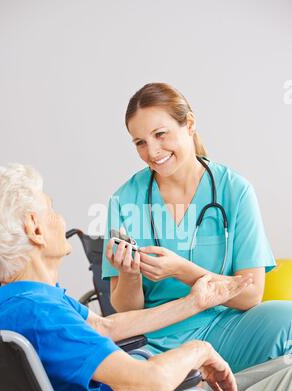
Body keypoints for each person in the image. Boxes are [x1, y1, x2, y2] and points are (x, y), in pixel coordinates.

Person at [0, 163, 249, 391]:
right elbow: (148, 382)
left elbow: (105, 326)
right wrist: (198, 350)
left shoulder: (17, 300)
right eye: (51, 210)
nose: (60, 219)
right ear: (35, 228)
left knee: (281, 369)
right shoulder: (41, 315)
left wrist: (194, 302)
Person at [102, 82, 292, 373]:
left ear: (189, 124)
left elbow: (250, 295)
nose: (152, 151)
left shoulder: (234, 190)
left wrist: (182, 270)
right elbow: (127, 311)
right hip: (158, 338)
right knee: (131, 384)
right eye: (140, 142)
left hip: (227, 327)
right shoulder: (124, 200)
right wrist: (129, 275)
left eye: (160, 134)